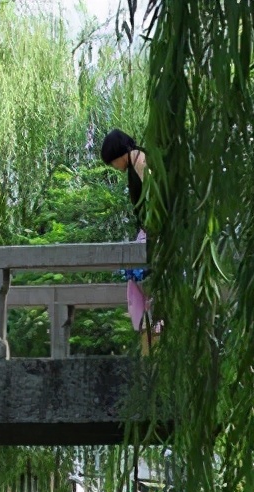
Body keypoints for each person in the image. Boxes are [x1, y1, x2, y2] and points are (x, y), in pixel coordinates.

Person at [100, 129, 158, 348]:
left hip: (154, 233)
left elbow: (154, 197)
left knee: (138, 275)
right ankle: (146, 325)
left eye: (112, 161)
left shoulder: (138, 159)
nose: (114, 167)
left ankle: (151, 327)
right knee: (135, 278)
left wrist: (153, 233)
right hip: (148, 231)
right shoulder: (134, 162)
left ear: (118, 153)